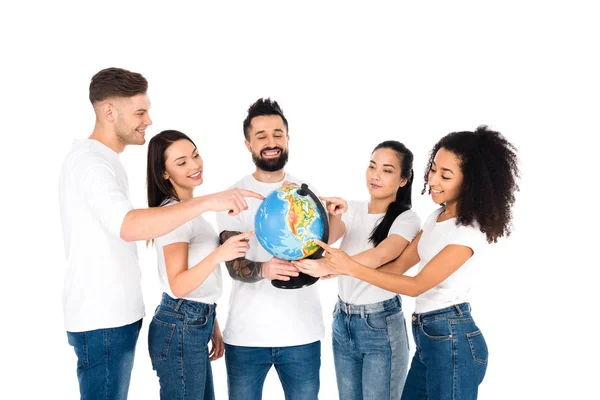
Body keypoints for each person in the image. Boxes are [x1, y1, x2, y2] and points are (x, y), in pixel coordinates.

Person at [59, 67, 262, 400]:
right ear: (109, 111)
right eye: (140, 111)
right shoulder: (91, 163)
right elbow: (129, 226)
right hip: (102, 319)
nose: (148, 120)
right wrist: (211, 203)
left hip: (120, 316)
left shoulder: (106, 162)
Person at [313, 126, 520, 400]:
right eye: (433, 169)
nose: (433, 179)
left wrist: (349, 267)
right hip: (427, 336)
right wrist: (339, 271)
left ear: (470, 182)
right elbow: (396, 268)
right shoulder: (438, 217)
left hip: (453, 339)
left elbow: (415, 286)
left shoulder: (468, 232)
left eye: (445, 175)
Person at [294, 141, 421, 400]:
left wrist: (330, 267)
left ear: (403, 180)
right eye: (372, 166)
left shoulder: (407, 219)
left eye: (386, 170)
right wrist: (333, 215)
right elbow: (327, 238)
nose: (375, 175)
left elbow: (383, 254)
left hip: (380, 325)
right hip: (343, 320)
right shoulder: (351, 208)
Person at [216, 98, 324, 400]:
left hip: (302, 335)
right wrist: (264, 269)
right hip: (246, 338)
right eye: (261, 136)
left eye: (278, 134)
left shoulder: (307, 193)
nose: (271, 142)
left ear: (287, 139)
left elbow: (322, 254)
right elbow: (232, 265)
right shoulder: (232, 197)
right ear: (248, 144)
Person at [146, 130, 255, 399]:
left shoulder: (191, 210)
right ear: (164, 173)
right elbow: (179, 284)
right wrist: (220, 254)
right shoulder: (174, 215)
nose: (195, 165)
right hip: (180, 325)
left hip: (195, 321)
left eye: (195, 155)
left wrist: (212, 324)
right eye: (182, 162)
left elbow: (198, 282)